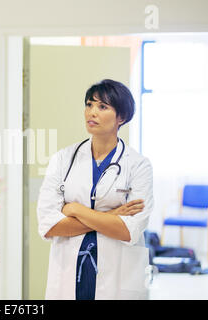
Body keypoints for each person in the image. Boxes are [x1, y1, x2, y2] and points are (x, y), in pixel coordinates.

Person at [37, 79, 154, 300]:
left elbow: (129, 230)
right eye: (89, 104)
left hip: (118, 273)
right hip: (71, 271)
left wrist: (73, 208)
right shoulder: (63, 159)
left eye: (102, 107)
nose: (92, 112)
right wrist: (111, 216)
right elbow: (49, 225)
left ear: (122, 117)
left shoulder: (138, 165)